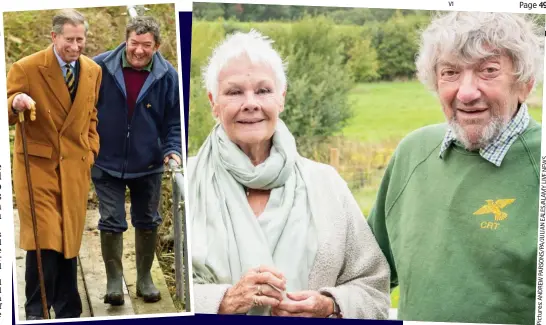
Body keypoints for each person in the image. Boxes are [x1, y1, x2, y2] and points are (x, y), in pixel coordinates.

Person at [187, 29, 390, 319]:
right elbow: (162, 292)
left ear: (281, 98)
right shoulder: (185, 181)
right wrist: (223, 301)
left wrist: (329, 306)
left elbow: (374, 290)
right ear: (213, 103)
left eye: (263, 90)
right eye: (234, 92)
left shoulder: (326, 183)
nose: (250, 103)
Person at [367, 11, 543, 324]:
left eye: (488, 70)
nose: (466, 92)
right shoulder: (412, 152)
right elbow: (366, 271)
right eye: (450, 73)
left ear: (524, 84)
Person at [7, 9, 102, 320]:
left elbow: (90, 116)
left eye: (80, 40)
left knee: (69, 236)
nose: (75, 47)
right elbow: (6, 110)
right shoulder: (28, 67)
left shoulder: (92, 70)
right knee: (44, 237)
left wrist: (91, 150)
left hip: (75, 166)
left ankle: (67, 307)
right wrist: (16, 101)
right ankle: (36, 309)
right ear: (54, 37)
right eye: (69, 40)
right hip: (38, 168)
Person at [91, 16, 181, 306]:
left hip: (149, 164)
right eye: (134, 44)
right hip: (106, 160)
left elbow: (173, 122)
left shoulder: (169, 76)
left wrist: (173, 149)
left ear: (156, 46)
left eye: (146, 45)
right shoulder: (99, 67)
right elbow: (81, 108)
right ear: (125, 41)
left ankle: (144, 278)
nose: (139, 50)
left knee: (147, 220)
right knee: (112, 220)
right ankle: (114, 281)